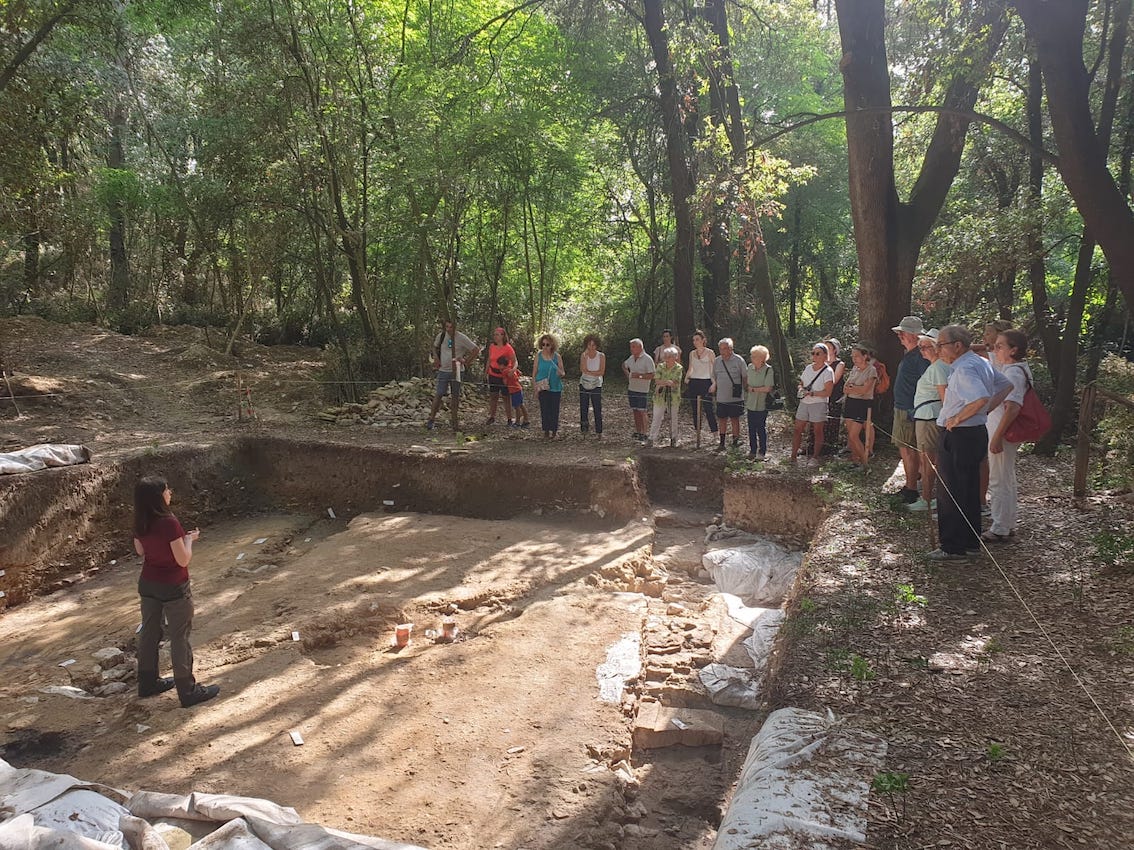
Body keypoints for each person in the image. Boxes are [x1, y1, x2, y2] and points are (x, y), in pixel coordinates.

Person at [132, 475, 220, 708]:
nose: (170, 492)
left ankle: (147, 682)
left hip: (148, 584)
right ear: (159, 496)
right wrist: (189, 540)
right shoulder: (169, 523)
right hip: (173, 585)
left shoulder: (140, 520)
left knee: (149, 633)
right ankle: (187, 691)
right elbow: (182, 560)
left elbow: (140, 550)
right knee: (180, 636)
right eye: (167, 490)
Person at [928, 325, 1013, 562]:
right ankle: (969, 542)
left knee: (951, 490)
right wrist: (984, 411)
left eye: (941, 344)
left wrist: (958, 417)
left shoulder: (966, 367)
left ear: (957, 345)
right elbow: (1005, 386)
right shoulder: (980, 362)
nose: (938, 349)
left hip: (960, 434)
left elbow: (980, 397)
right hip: (973, 432)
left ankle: (953, 546)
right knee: (968, 488)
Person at [984, 329, 1032, 542]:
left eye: (1000, 345)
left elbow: (1013, 407)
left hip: (1002, 433)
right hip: (1000, 431)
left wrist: (996, 437)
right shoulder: (1011, 367)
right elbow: (988, 354)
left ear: (1014, 350)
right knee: (1006, 477)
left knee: (998, 479)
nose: (995, 349)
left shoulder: (1013, 372)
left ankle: (1000, 526)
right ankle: (1007, 522)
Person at [908, 330, 950, 512]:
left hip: (929, 418)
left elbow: (945, 397)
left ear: (936, 347)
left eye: (925, 347)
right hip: (925, 416)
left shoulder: (939, 367)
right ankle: (928, 496)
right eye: (920, 348)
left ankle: (926, 498)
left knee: (928, 459)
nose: (922, 351)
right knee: (927, 458)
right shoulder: (935, 367)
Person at [891, 316, 930, 502]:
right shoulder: (911, 354)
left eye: (903, 332)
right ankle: (912, 484)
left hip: (909, 409)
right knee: (906, 448)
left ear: (914, 335)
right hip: (903, 407)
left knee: (908, 449)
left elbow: (926, 382)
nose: (900, 336)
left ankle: (911, 489)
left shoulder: (920, 356)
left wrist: (916, 408)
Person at [427, 319, 480, 430]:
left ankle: (454, 421)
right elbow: (434, 347)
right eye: (447, 327)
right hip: (443, 370)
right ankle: (431, 420)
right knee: (439, 394)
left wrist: (466, 361)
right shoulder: (441, 336)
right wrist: (436, 357)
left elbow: (475, 349)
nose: (449, 329)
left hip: (457, 371)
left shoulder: (462, 338)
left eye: (451, 327)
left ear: (456, 327)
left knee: (455, 396)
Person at [792, 344, 835, 466]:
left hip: (819, 404)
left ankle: (815, 457)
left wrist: (812, 393)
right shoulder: (808, 368)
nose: (814, 356)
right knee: (797, 429)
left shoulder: (828, 372)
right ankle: (793, 456)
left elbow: (828, 392)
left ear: (825, 356)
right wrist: (801, 389)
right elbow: (801, 383)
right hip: (804, 402)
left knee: (817, 431)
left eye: (817, 353)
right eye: (813, 353)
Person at [841, 344, 877, 468]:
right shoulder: (854, 369)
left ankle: (865, 462)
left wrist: (854, 388)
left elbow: (865, 390)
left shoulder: (871, 370)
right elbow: (845, 388)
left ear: (865, 356)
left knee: (853, 435)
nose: (854, 358)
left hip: (863, 404)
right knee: (850, 435)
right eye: (852, 356)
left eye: (856, 356)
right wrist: (855, 388)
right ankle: (855, 460)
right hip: (850, 402)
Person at [712, 338, 746, 451]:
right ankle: (722, 443)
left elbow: (745, 377)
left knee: (734, 419)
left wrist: (745, 390)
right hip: (721, 397)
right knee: (722, 419)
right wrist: (714, 385)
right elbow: (714, 376)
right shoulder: (717, 361)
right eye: (721, 349)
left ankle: (735, 442)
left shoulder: (739, 360)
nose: (723, 351)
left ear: (731, 349)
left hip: (735, 397)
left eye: (725, 348)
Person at [684, 330, 718, 442]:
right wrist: (686, 378)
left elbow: (714, 370)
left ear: (703, 340)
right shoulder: (692, 353)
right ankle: (697, 433)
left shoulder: (710, 353)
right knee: (694, 409)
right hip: (694, 382)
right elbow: (690, 368)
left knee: (709, 409)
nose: (695, 342)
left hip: (706, 382)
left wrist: (714, 383)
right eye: (694, 340)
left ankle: (715, 434)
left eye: (697, 339)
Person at [649, 346, 683, 447]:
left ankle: (673, 438)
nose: (666, 359)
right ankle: (651, 438)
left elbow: (676, 382)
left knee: (673, 417)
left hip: (673, 397)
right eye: (665, 356)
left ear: (675, 357)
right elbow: (657, 380)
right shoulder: (660, 366)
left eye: (669, 357)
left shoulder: (679, 368)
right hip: (660, 396)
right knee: (657, 417)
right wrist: (666, 382)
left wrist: (665, 382)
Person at [745, 345, 774, 460]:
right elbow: (747, 384)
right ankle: (752, 450)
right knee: (751, 428)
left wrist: (754, 389)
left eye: (755, 356)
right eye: (752, 356)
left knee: (761, 428)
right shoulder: (749, 367)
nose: (752, 358)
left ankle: (762, 451)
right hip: (751, 403)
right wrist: (753, 389)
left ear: (762, 358)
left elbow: (768, 388)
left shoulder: (768, 370)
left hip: (762, 404)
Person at [532, 333, 565, 438]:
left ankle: (554, 430)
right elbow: (534, 372)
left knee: (554, 409)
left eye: (547, 345)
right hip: (542, 386)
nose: (545, 347)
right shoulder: (538, 356)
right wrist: (535, 388)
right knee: (544, 409)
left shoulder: (557, 356)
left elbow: (563, 372)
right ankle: (546, 430)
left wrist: (559, 372)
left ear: (552, 345)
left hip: (555, 386)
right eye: (543, 344)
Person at [623, 338, 655, 442]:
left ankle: (644, 433)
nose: (631, 349)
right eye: (630, 347)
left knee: (642, 411)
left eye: (633, 347)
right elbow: (624, 365)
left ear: (640, 347)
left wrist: (639, 376)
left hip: (642, 390)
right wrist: (628, 375)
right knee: (635, 410)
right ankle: (638, 431)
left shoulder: (647, 359)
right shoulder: (631, 358)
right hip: (632, 388)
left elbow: (652, 375)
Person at [485, 327, 516, 426]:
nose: (495, 337)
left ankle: (509, 419)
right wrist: (486, 371)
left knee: (506, 397)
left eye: (497, 334)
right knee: (493, 395)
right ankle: (492, 416)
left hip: (504, 375)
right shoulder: (492, 346)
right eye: (494, 335)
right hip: (493, 374)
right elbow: (489, 359)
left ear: (503, 336)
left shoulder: (508, 348)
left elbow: (515, 361)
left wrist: (512, 370)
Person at [822, 338, 847, 455]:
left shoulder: (840, 364)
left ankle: (830, 448)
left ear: (835, 350)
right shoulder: (821, 362)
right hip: (821, 396)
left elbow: (834, 380)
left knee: (832, 422)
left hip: (834, 396)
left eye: (829, 347)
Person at [579, 334, 606, 439]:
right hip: (584, 383)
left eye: (593, 345)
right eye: (589, 345)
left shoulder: (601, 356)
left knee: (597, 407)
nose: (591, 347)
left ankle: (599, 431)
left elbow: (601, 371)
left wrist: (591, 372)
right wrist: (593, 372)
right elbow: (583, 369)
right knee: (583, 407)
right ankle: (584, 430)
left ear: (597, 345)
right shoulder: (583, 355)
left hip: (597, 384)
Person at [500, 356, 530, 428]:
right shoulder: (512, 369)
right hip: (518, 388)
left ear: (502, 365)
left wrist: (504, 376)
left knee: (517, 407)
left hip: (514, 390)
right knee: (521, 405)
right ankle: (526, 420)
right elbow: (520, 373)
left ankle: (517, 422)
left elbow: (505, 383)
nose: (499, 366)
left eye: (499, 365)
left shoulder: (504, 371)